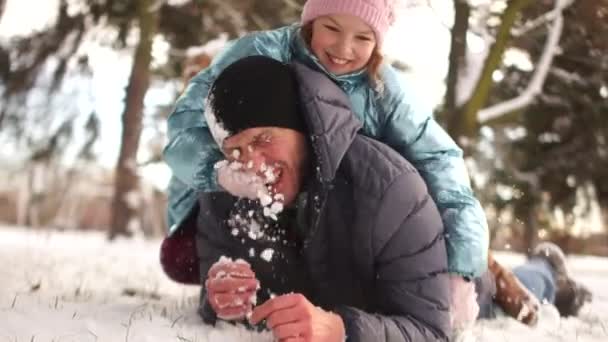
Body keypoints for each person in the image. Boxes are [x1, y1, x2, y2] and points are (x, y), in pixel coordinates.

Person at [163, 0, 488, 329]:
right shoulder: (261, 52)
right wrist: (218, 174)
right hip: (291, 209)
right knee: (179, 257)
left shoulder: (384, 91)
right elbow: (184, 129)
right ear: (309, 24)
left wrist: (460, 266)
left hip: (381, 219)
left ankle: (493, 272)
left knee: (423, 277)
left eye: (363, 38)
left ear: (378, 44)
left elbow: (439, 159)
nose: (343, 49)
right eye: (332, 28)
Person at [177, 55, 452, 340]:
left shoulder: (391, 190)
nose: (252, 166)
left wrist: (341, 329)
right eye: (235, 151)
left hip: (440, 263)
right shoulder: (223, 195)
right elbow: (213, 295)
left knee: (476, 287)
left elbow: (430, 331)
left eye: (262, 140)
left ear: (300, 127)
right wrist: (221, 299)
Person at [476, 242, 593, 325]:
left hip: (495, 290)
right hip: (506, 303)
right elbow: (547, 313)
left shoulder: (526, 268)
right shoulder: (546, 278)